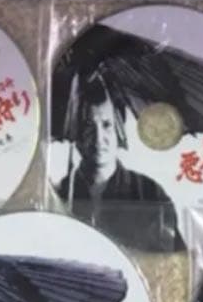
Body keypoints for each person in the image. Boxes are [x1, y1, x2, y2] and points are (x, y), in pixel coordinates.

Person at [55, 76, 185, 252]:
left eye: (107, 125)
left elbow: (175, 260)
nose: (99, 138)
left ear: (119, 127)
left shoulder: (150, 194)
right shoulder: (58, 194)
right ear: (75, 132)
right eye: (88, 126)